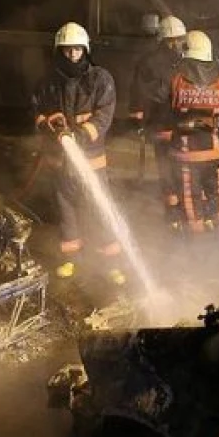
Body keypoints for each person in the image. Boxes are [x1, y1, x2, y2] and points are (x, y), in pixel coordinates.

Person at [31, 22, 125, 284]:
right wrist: (50, 127)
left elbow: (104, 117)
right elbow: (37, 113)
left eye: (77, 50)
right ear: (58, 51)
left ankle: (111, 263)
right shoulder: (48, 82)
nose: (72, 55)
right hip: (60, 163)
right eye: (67, 50)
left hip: (91, 162)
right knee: (66, 213)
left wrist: (79, 135)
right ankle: (71, 260)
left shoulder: (99, 79)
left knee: (100, 210)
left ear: (85, 50)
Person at [164, 30, 219, 235]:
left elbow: (165, 111)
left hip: (185, 152)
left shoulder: (175, 78)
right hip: (215, 151)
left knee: (189, 195)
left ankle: (196, 240)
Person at [130, 15, 187, 226]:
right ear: (170, 40)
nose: (182, 43)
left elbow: (137, 94)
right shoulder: (181, 62)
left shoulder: (149, 62)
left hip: (160, 125)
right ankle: (179, 208)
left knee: (167, 168)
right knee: (177, 167)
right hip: (172, 124)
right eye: (179, 39)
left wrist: (139, 122)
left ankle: (173, 211)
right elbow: (142, 94)